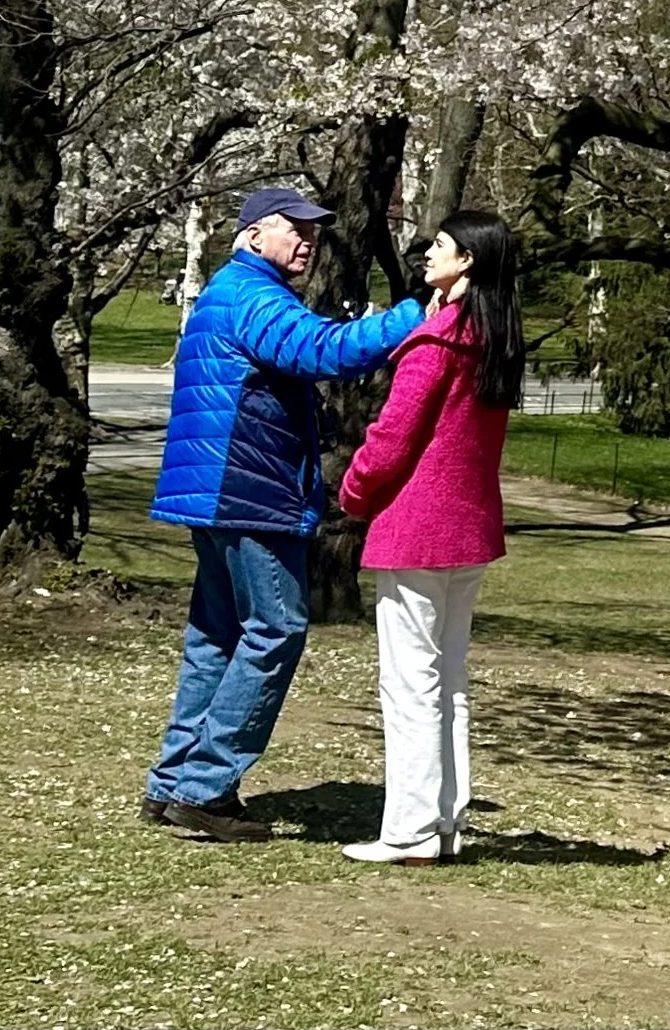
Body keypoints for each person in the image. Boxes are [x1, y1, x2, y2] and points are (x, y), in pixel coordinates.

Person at [143, 183, 425, 841]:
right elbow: (324, 351)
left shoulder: (226, 292)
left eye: (313, 231)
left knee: (217, 637)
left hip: (215, 491)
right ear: (251, 236)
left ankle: (173, 781)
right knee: (277, 627)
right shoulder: (252, 295)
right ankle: (206, 788)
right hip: (248, 489)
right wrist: (413, 316)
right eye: (293, 228)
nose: (308, 240)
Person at [336, 207, 522, 863]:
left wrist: (353, 491)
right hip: (468, 528)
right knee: (449, 678)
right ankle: (444, 821)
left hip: (416, 527)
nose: (427, 254)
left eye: (439, 245)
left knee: (411, 682)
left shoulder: (437, 342)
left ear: (467, 259)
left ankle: (410, 830)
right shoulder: (494, 339)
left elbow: (391, 439)